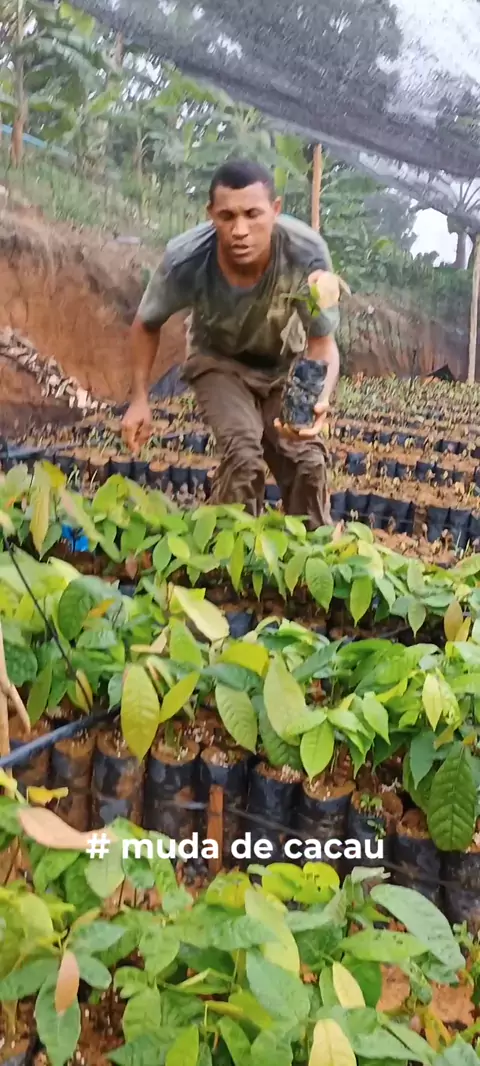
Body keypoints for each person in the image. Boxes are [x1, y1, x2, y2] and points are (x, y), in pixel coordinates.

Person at [122, 159, 340, 528]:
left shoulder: (305, 254)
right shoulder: (186, 259)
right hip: (218, 363)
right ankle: (231, 550)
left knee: (308, 461)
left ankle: (310, 550)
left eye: (253, 214)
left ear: (275, 210)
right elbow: (146, 324)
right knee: (243, 457)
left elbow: (321, 342)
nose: (240, 230)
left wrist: (318, 398)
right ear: (211, 214)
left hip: (283, 366)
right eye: (227, 216)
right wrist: (140, 399)